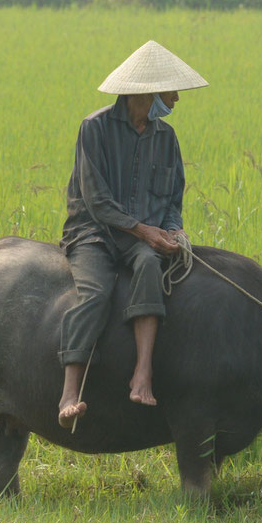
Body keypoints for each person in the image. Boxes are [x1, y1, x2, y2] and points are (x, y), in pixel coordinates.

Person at [57, 41, 208, 426]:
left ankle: (143, 374)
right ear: (147, 92)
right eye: (170, 90)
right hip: (93, 231)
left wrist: (173, 229)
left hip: (142, 238)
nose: (175, 99)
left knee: (148, 269)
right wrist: (143, 230)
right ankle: (69, 393)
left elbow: (174, 197)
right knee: (95, 292)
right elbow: (97, 200)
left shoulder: (166, 137)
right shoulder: (95, 128)